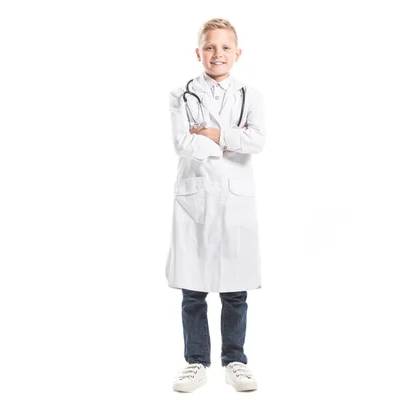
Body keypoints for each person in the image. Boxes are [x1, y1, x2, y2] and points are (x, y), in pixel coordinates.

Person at [166, 18, 266, 393]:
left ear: (237, 53)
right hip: (196, 199)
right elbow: (182, 143)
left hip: (235, 199)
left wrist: (213, 133)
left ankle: (235, 360)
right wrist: (229, 142)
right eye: (210, 47)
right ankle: (196, 362)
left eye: (225, 48)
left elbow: (257, 141)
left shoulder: (250, 96)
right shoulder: (182, 95)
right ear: (198, 53)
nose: (217, 54)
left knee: (235, 289)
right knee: (193, 289)